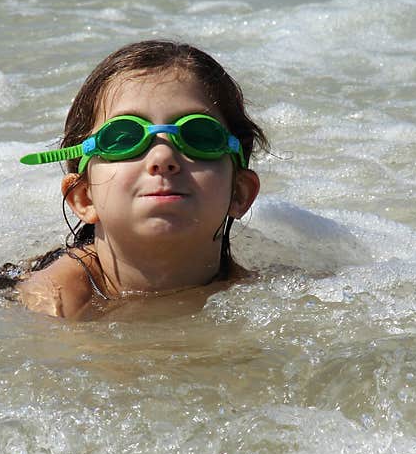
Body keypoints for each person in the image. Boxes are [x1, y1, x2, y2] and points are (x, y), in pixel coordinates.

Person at [15, 40, 265, 319]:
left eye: (199, 136)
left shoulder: (263, 297)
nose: (163, 157)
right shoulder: (53, 301)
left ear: (239, 193)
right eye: (124, 138)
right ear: (84, 197)